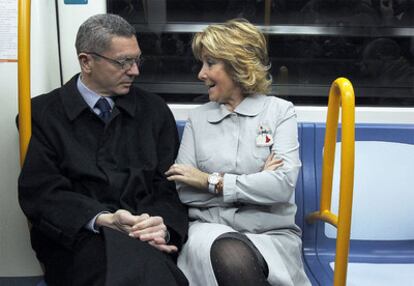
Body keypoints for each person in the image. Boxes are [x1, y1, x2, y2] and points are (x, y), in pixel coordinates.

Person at [18, 14, 188, 286]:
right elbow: (42, 193)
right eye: (123, 62)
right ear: (86, 61)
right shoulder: (43, 114)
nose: (135, 71)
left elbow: (167, 186)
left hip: (146, 234)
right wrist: (102, 219)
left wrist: (161, 227)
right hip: (79, 238)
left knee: (144, 264)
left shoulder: (154, 111)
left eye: (137, 60)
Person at [165, 19, 311, 286]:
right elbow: (184, 190)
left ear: (237, 65)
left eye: (210, 64)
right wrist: (256, 185)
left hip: (270, 233)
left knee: (238, 262)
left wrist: (209, 181)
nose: (201, 74)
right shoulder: (197, 119)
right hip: (209, 231)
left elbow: (282, 187)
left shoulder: (280, 112)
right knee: (230, 255)